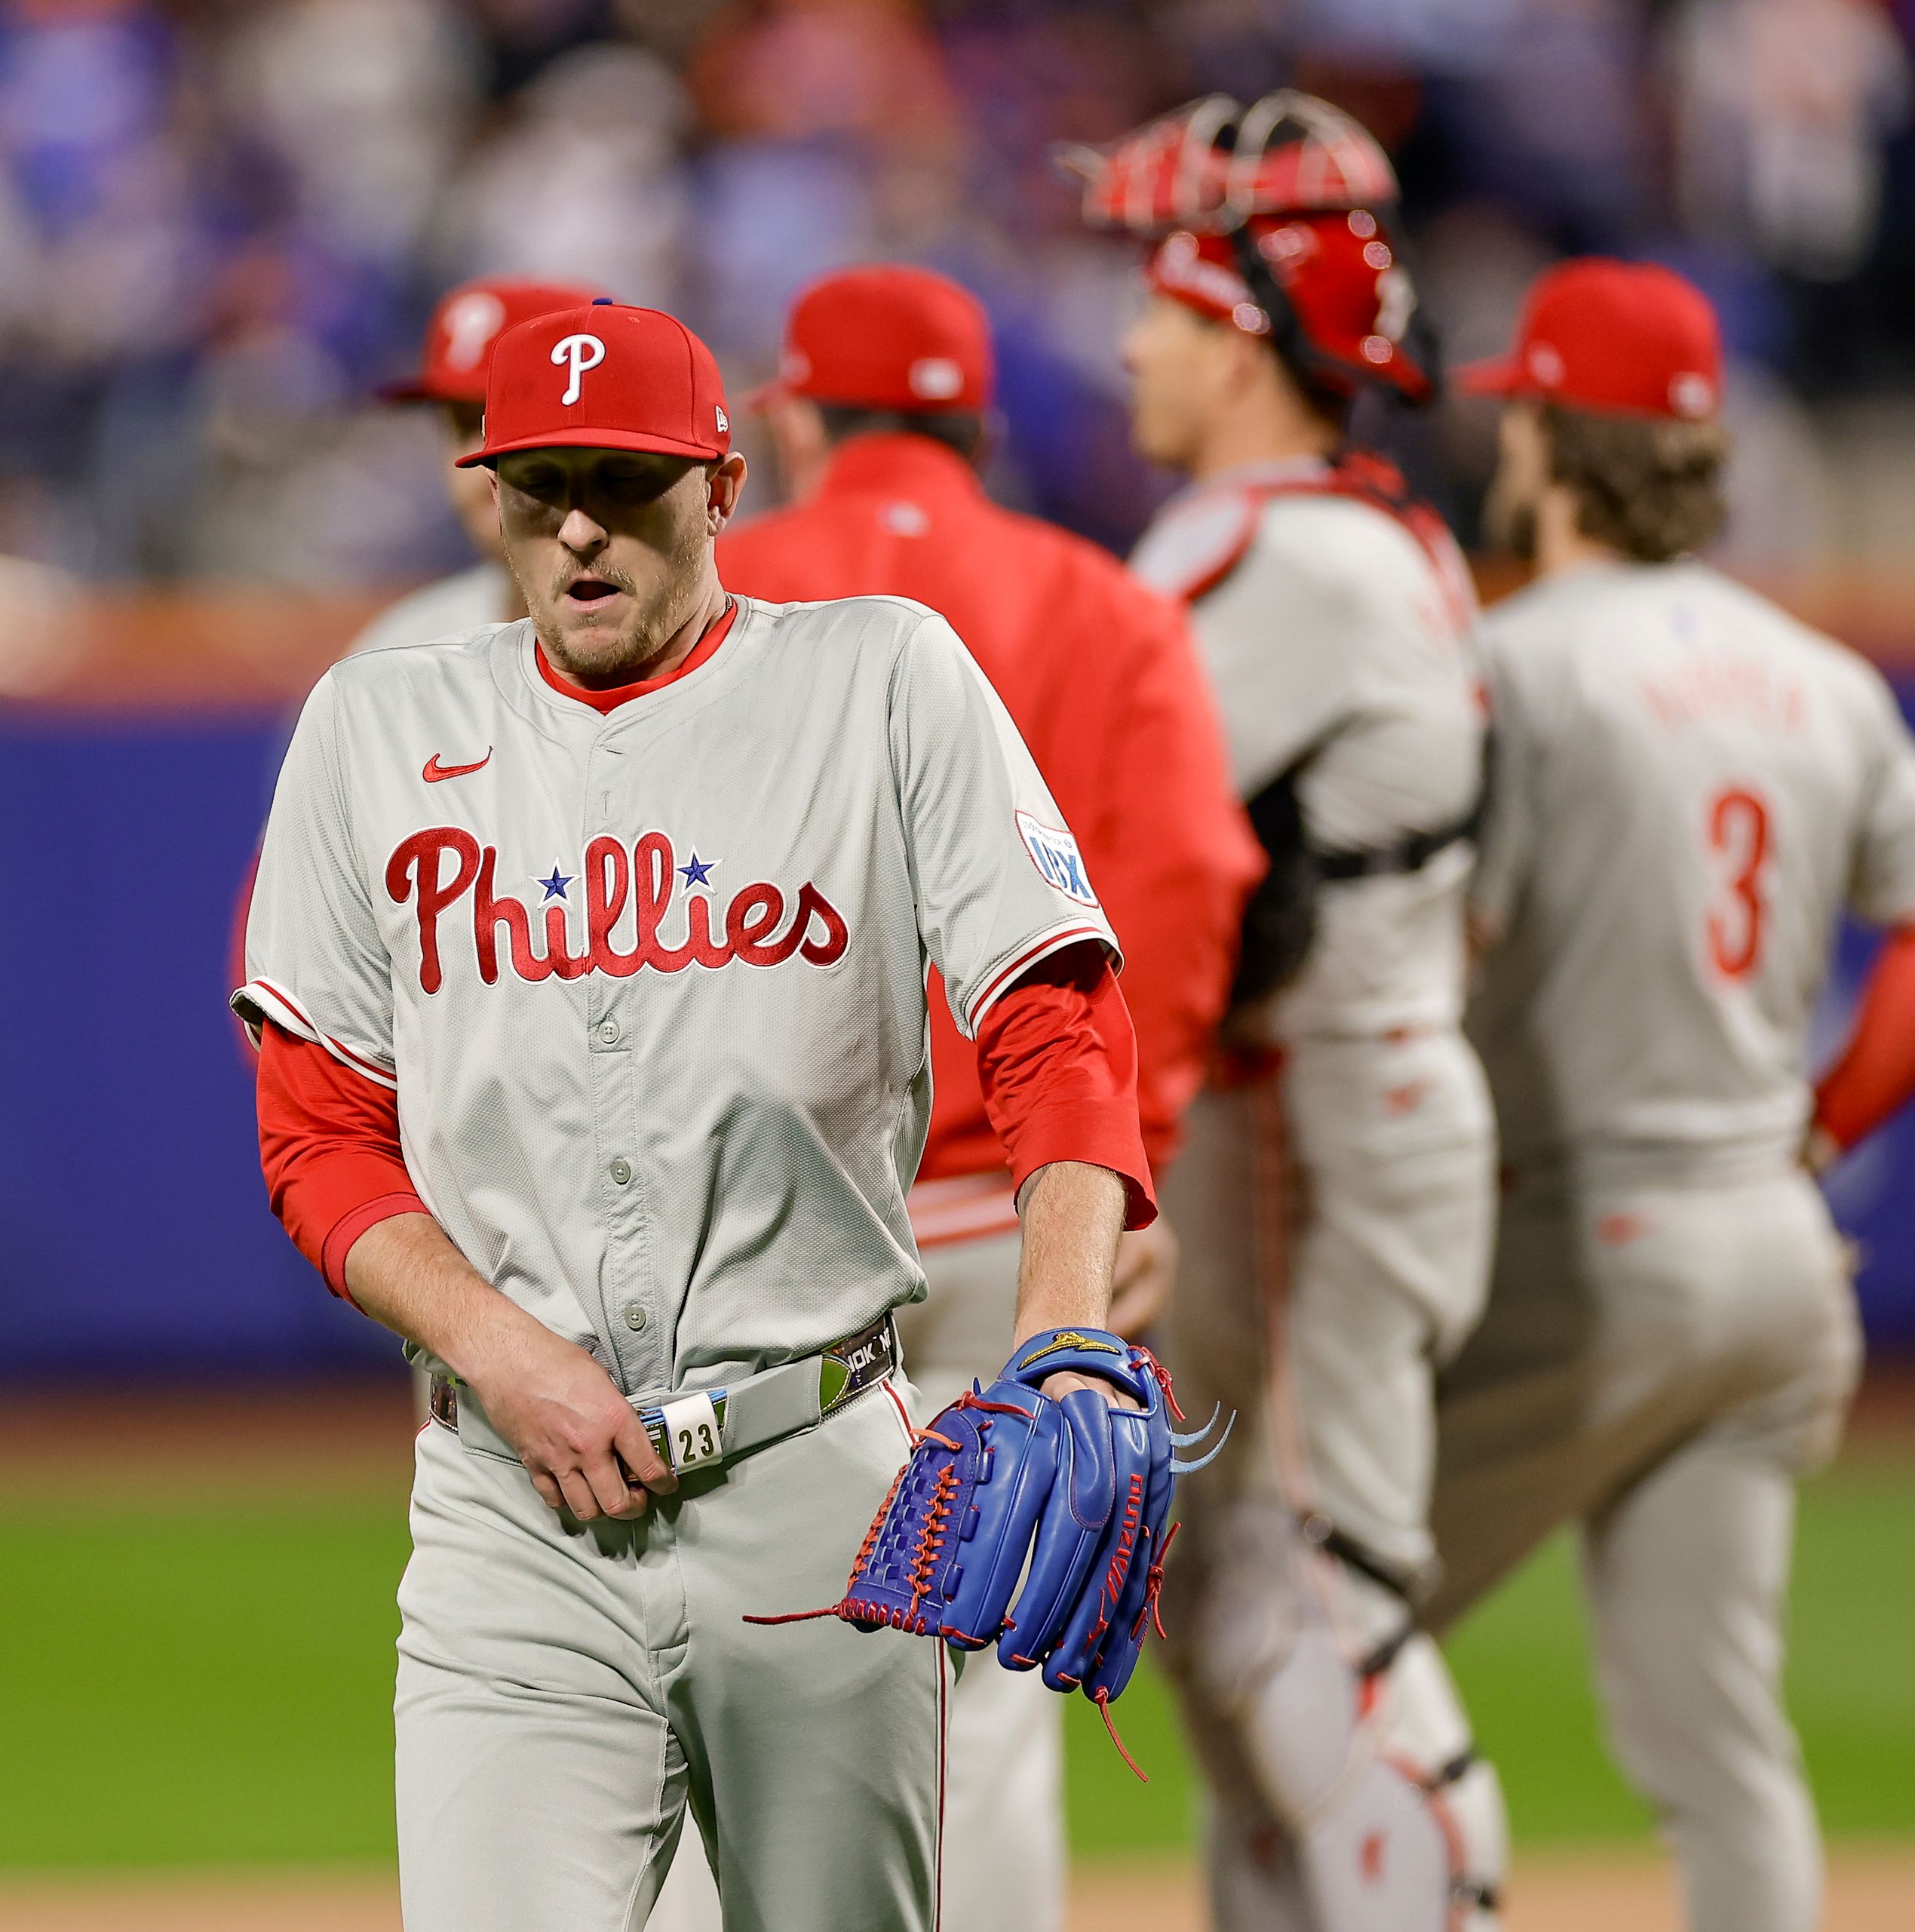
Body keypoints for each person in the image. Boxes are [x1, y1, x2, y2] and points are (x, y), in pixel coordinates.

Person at [236, 299, 1158, 1930]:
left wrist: (1064, 1323)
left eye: (627, 479)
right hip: (507, 1511)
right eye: (539, 483)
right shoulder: (374, 726)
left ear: (725, 487)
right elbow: (316, 1131)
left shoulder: (880, 674)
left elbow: (1054, 1015)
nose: (580, 523)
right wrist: (504, 1353)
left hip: (817, 1494)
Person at [717, 261, 1260, 1932]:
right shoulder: (1104, 599)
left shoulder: (721, 589)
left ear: (794, 416)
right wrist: (1124, 1168)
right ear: (974, 421)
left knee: (719, 1674)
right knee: (993, 1704)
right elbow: (1180, 892)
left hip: (776, 1232)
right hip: (1022, 1222)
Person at [1068, 92, 1507, 1928]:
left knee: (1303, 1596)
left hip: (1304, 1115)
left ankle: (1450, 1900)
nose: (1125, 341)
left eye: (1162, 311)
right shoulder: (1361, 530)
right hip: (1345, 1095)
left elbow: (1080, 832)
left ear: (1240, 339)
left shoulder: (1278, 552)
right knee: (1228, 1596)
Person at [1434, 259, 1915, 1932]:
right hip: (1775, 1247)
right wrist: (1828, 1127)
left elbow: (1440, 968)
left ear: (1553, 435)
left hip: (1581, 1233)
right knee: (1721, 1739)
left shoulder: (1510, 665)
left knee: (1307, 1621)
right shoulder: (1829, 678)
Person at [356, 274, 609, 653]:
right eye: (462, 426)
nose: (482, 462)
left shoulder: (718, 631)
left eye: (518, 421)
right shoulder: (406, 646)